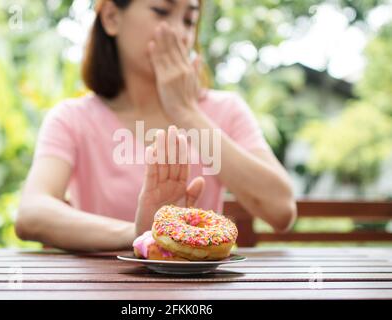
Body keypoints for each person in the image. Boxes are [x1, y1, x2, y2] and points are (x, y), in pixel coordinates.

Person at [15, 0, 297, 252]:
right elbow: (32, 212)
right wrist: (143, 234)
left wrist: (185, 111)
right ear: (112, 17)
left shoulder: (225, 111)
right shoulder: (71, 118)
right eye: (162, 11)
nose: (179, 32)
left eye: (189, 19)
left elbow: (281, 210)